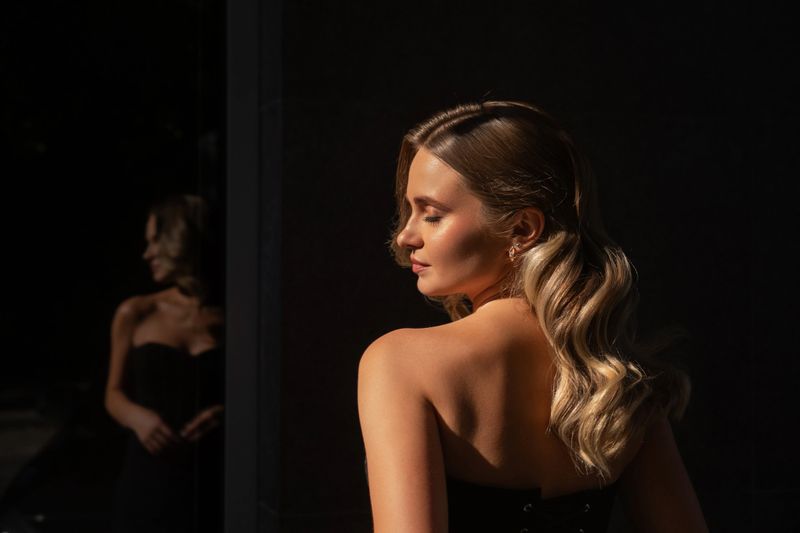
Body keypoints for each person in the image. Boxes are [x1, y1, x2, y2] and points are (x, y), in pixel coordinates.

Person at [357, 101, 709, 533]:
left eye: (432, 214)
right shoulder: (616, 374)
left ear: (523, 229)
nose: (405, 235)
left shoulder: (400, 364)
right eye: (409, 211)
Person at [105, 194, 224, 533]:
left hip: (213, 474)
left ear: (182, 237)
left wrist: (226, 414)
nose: (148, 254)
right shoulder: (136, 312)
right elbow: (112, 393)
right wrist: (139, 419)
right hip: (150, 472)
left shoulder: (233, 313)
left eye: (156, 240)